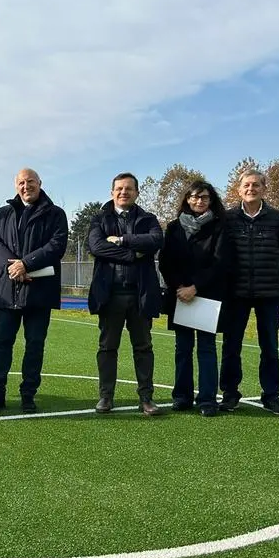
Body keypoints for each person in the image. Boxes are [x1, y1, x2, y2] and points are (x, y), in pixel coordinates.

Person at [0, 168, 68, 413]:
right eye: (21, 182)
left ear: (39, 183)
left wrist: (26, 264)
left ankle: (28, 394)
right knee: (1, 343)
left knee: (34, 344)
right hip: (8, 291)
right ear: (15, 185)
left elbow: (56, 245)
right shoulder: (3, 213)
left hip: (39, 291)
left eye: (30, 182)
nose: (26, 186)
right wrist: (14, 267)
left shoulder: (56, 214)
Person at [219, 168, 279, 415]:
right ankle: (230, 394)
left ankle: (271, 396)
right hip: (235, 293)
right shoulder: (228, 219)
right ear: (238, 189)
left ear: (264, 189)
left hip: (270, 294)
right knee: (231, 346)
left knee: (270, 347)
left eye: (256, 185)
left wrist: (274, 277)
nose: (251, 189)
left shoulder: (278, 219)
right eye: (246, 185)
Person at [87, 172, 164, 416]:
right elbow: (97, 246)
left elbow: (155, 240)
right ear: (112, 192)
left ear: (136, 192)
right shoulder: (99, 218)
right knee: (107, 348)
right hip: (110, 294)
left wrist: (120, 240)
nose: (124, 192)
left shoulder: (148, 218)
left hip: (141, 294)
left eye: (129, 188)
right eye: (119, 188)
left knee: (143, 347)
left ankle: (146, 399)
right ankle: (106, 397)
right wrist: (132, 253)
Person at [158, 180, 232, 417]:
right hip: (180, 296)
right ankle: (182, 396)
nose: (199, 201)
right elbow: (166, 262)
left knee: (207, 348)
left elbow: (221, 262)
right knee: (183, 348)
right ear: (187, 199)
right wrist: (180, 287)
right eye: (194, 197)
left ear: (211, 200)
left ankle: (207, 399)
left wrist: (195, 287)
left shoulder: (221, 226)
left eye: (204, 197)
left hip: (207, 296)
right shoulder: (173, 227)